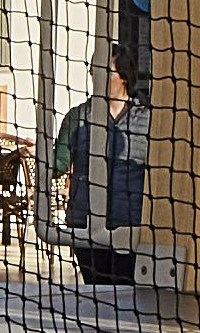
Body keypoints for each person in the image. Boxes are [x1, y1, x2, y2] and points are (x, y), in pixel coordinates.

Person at [44, 49, 147, 289]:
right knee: (95, 292)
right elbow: (59, 163)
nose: (97, 78)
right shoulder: (77, 117)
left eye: (105, 72)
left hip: (129, 224)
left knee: (126, 293)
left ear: (123, 76)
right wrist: (38, 158)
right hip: (85, 224)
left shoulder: (146, 119)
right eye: (93, 72)